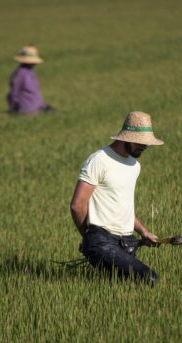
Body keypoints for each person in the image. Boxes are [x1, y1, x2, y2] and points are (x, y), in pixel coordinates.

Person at [70, 111, 164, 285]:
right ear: (125, 138)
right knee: (149, 278)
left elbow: (122, 207)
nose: (145, 147)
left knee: (124, 287)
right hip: (101, 240)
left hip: (126, 243)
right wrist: (88, 236)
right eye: (141, 142)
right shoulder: (99, 160)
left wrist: (143, 232)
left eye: (147, 144)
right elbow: (78, 205)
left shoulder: (134, 165)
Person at [7, 45, 53, 114]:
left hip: (36, 107)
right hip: (26, 109)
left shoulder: (30, 72)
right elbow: (14, 93)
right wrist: (15, 108)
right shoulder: (20, 74)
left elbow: (34, 94)